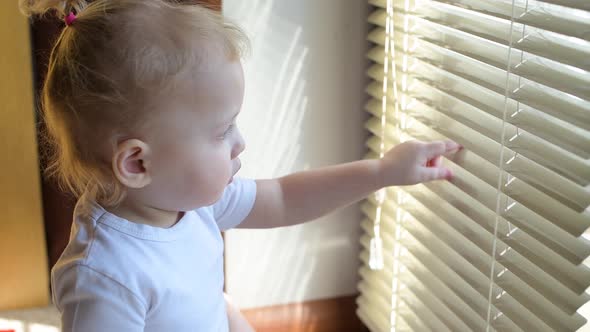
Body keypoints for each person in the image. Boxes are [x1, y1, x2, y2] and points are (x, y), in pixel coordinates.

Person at [20, 0, 460, 331]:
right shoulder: (105, 277)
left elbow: (285, 198)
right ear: (137, 162)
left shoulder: (183, 201)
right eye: (221, 130)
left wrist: (383, 172)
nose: (239, 143)